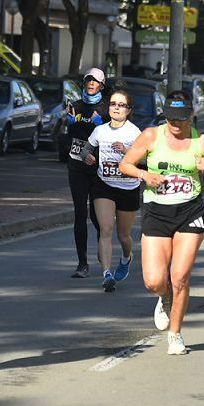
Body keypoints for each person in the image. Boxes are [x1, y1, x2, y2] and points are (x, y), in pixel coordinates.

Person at [119, 91, 204, 355]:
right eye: (171, 119)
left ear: (191, 116)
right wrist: (145, 175)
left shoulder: (203, 143)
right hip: (157, 211)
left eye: (181, 119)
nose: (176, 125)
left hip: (190, 211)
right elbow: (125, 165)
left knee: (180, 276)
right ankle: (164, 296)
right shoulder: (151, 136)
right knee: (154, 281)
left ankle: (175, 335)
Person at [82, 89, 141, 292]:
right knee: (105, 229)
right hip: (104, 185)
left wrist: (127, 152)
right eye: (113, 104)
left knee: (123, 236)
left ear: (128, 110)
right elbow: (85, 150)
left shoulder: (134, 132)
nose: (116, 108)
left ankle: (126, 257)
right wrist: (87, 157)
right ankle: (107, 274)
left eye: (121, 105)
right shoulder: (100, 131)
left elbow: (145, 159)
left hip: (128, 187)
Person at [64, 68, 109, 278]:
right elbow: (69, 138)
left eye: (95, 81)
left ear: (102, 85)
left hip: (98, 167)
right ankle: (82, 263)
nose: (91, 84)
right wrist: (70, 125)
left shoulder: (107, 108)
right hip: (77, 165)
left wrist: (104, 126)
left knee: (96, 215)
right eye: (88, 81)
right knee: (80, 213)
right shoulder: (75, 106)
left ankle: (103, 254)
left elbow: (111, 139)